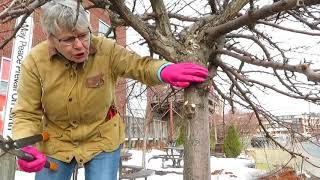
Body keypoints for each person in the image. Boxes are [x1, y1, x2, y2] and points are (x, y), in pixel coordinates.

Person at [12, 0, 208, 180]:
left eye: (83, 34)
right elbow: (26, 113)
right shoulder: (34, 63)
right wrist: (26, 145)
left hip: (102, 138)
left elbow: (138, 65)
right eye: (69, 40)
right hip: (57, 140)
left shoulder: (106, 50)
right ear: (52, 39)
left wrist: (164, 70)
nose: (80, 45)